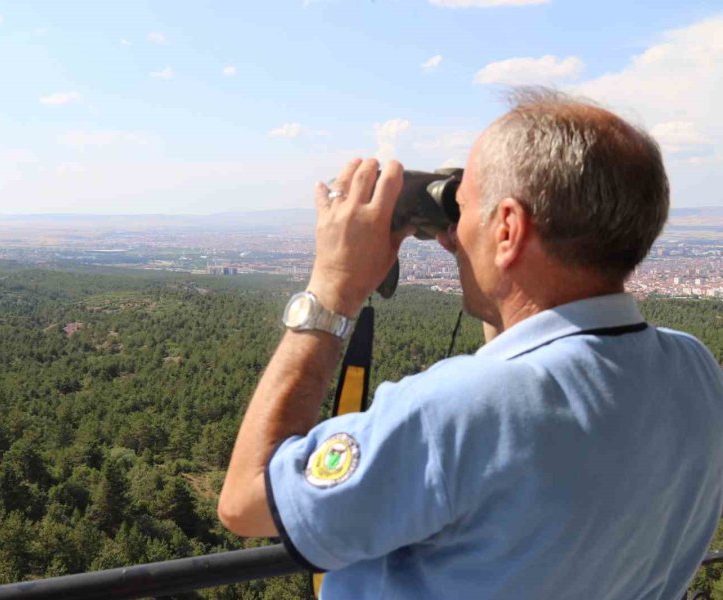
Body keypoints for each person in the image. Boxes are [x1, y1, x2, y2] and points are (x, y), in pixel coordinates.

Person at [217, 88, 723, 599]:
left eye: (461, 213)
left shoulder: (456, 413)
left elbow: (246, 500)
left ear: (507, 228)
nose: (449, 236)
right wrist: (496, 275)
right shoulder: (695, 372)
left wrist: (332, 287)